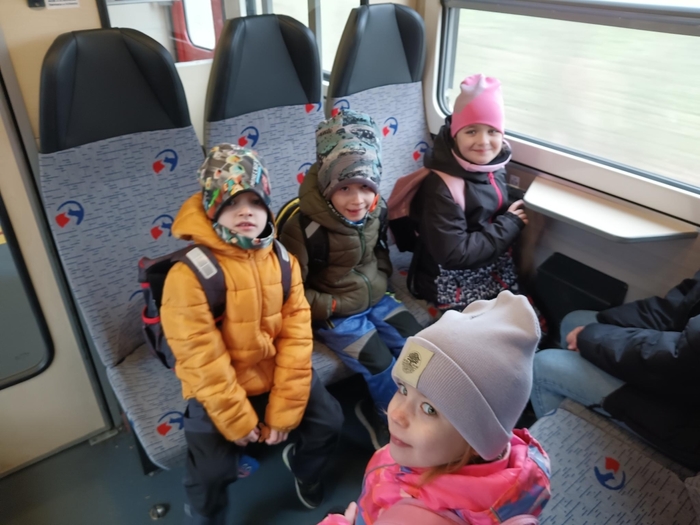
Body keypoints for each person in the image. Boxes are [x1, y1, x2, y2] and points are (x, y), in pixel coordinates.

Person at [161, 144, 344, 524]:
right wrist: (237, 419)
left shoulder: (282, 260)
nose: (246, 211)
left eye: (255, 202)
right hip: (219, 383)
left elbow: (297, 335)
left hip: (274, 369)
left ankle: (305, 469)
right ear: (211, 207)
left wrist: (284, 409)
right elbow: (200, 357)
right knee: (212, 471)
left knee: (329, 421)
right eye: (231, 202)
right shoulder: (190, 274)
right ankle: (206, 515)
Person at [318, 291, 551, 525]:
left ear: (477, 442)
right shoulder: (503, 464)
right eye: (403, 389)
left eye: (429, 409)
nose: (397, 414)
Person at [280, 110, 422, 450]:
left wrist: (382, 275)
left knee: (417, 346)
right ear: (328, 183)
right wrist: (330, 305)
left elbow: (379, 249)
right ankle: (388, 417)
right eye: (344, 187)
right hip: (335, 310)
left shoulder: (376, 209)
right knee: (379, 361)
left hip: (376, 295)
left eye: (365, 187)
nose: (357, 199)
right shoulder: (302, 226)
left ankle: (420, 409)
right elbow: (290, 290)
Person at [530, 269, 700, 469]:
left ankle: (561, 466)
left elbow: (680, 357)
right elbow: (677, 307)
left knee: (543, 365)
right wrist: (608, 324)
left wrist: (592, 338)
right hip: (681, 372)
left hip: (687, 414)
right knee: (574, 321)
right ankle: (583, 429)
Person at [409, 74, 528, 311]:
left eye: (492, 131)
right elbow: (454, 254)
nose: (483, 141)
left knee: (528, 321)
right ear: (455, 134)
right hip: (450, 277)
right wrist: (509, 225)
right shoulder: (442, 188)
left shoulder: (494, 166)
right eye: (471, 131)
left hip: (490, 263)